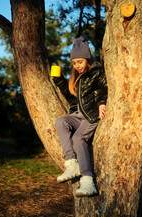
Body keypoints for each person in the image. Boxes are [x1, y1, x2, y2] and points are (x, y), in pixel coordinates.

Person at [52, 37, 108, 197]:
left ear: (87, 59)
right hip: (78, 115)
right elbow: (72, 98)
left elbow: (103, 88)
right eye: (75, 63)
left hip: (91, 115)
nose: (77, 66)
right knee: (61, 122)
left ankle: (88, 181)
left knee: (78, 139)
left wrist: (102, 103)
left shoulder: (96, 72)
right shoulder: (76, 77)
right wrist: (60, 81)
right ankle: (71, 163)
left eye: (80, 62)